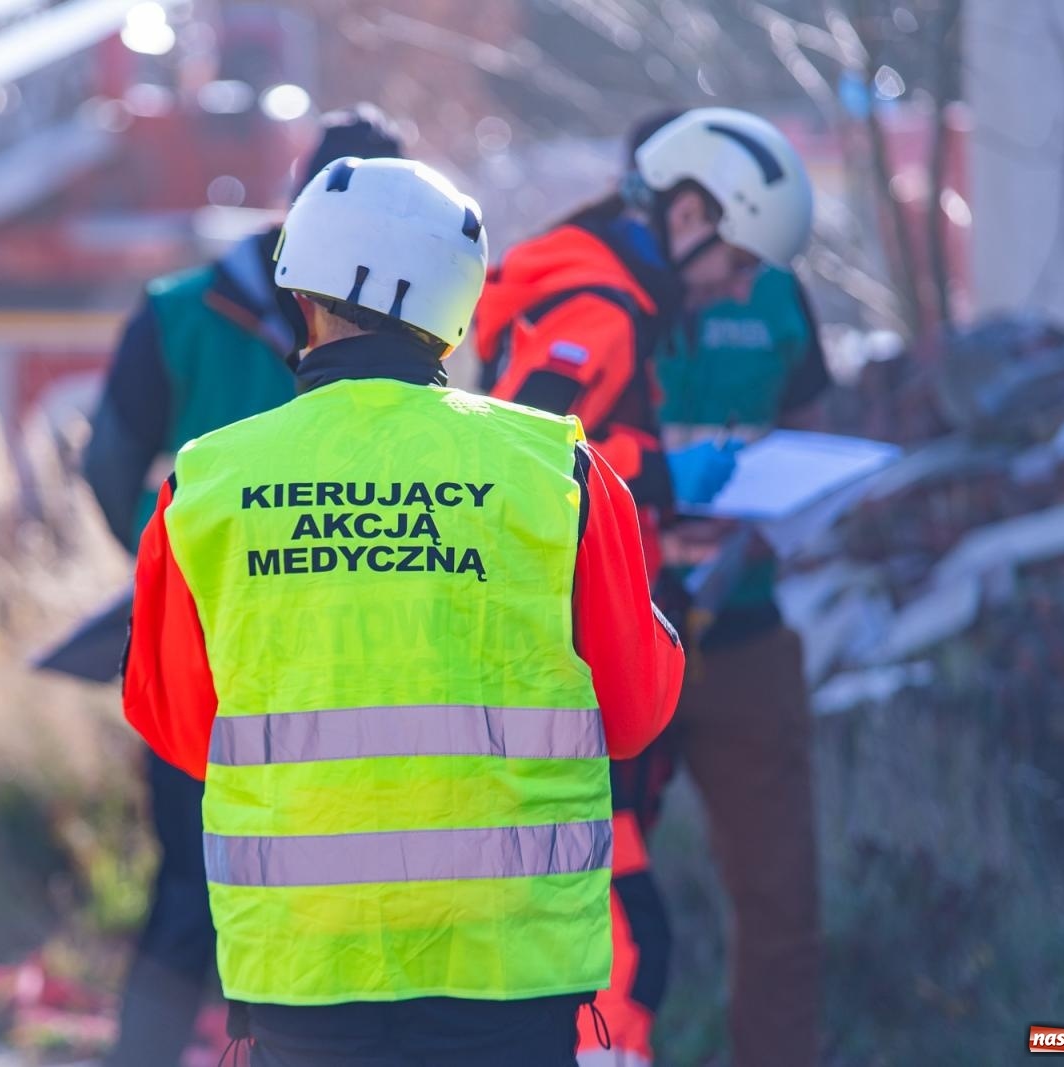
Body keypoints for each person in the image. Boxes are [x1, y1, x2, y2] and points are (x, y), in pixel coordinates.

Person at [121, 156, 686, 1066]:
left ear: (301, 292)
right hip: (509, 964)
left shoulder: (208, 480)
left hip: (303, 965)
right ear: (455, 312)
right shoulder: (557, 470)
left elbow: (178, 724)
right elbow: (637, 713)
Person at [473, 108, 814, 1067]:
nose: (740, 289)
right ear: (693, 213)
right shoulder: (601, 307)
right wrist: (663, 483)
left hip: (572, 665)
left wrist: (653, 497)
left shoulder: (599, 287)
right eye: (740, 263)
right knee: (622, 947)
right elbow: (527, 463)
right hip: (569, 673)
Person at [82, 107, 405, 1067]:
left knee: (193, 890)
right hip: (350, 663)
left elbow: (109, 466)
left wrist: (175, 575)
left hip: (214, 655)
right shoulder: (410, 307)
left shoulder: (178, 307)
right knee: (317, 903)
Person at [650, 245, 830, 1067]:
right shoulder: (597, 291)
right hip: (617, 641)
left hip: (745, 631)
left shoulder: (779, 296)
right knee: (580, 892)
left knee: (780, 898)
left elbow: (812, 434)